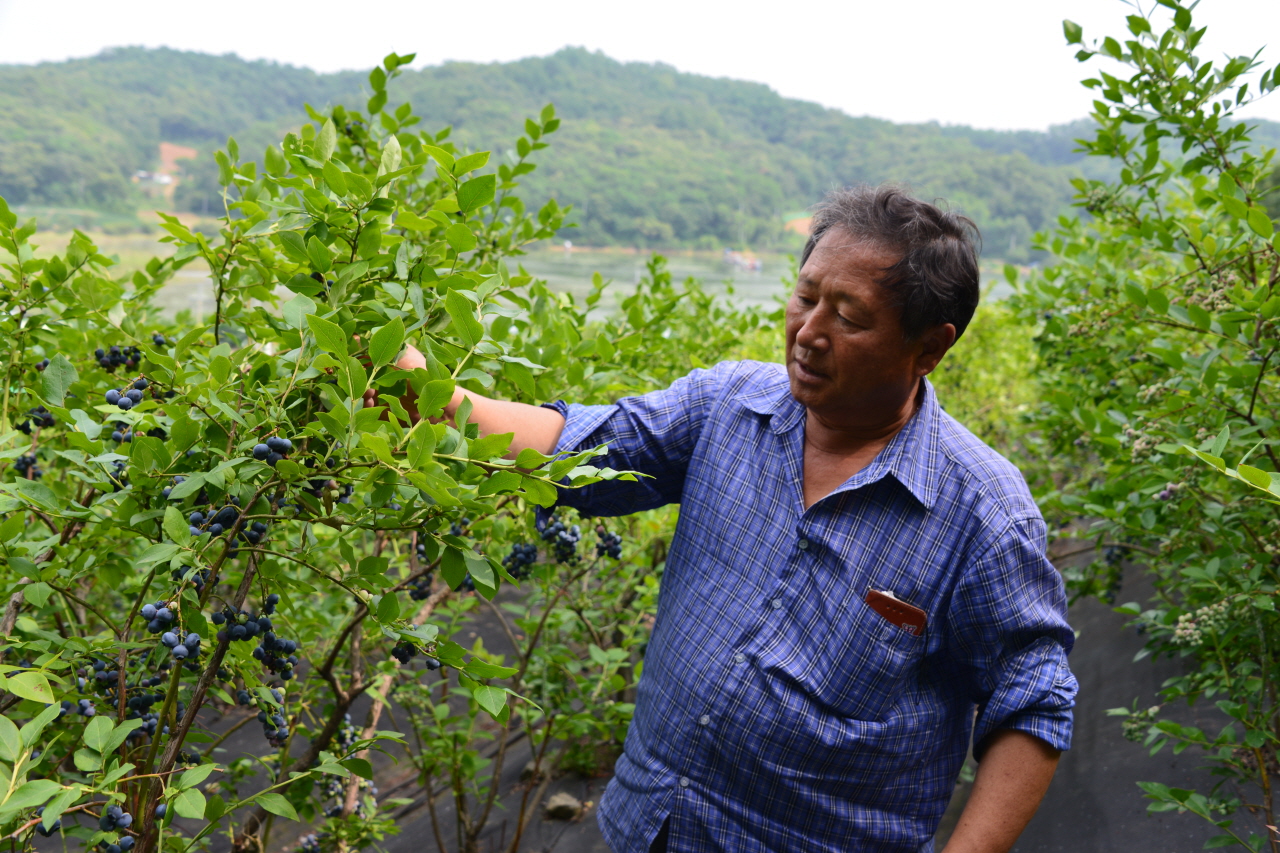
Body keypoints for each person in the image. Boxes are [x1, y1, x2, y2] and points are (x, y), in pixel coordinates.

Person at [400, 185, 1077, 853]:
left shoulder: (982, 511)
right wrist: (439, 399)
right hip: (648, 824)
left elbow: (1033, 700)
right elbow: (579, 446)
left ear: (929, 348)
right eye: (806, 297)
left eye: (849, 317)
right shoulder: (727, 405)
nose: (808, 333)